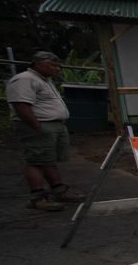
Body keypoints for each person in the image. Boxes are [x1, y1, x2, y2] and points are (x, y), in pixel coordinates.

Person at [5, 51, 87, 211]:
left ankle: (58, 189)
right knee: (36, 161)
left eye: (58, 66)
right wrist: (36, 127)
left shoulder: (43, 80)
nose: (57, 69)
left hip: (52, 125)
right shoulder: (24, 79)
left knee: (47, 159)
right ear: (37, 63)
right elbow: (21, 105)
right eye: (53, 65)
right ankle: (37, 197)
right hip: (40, 125)